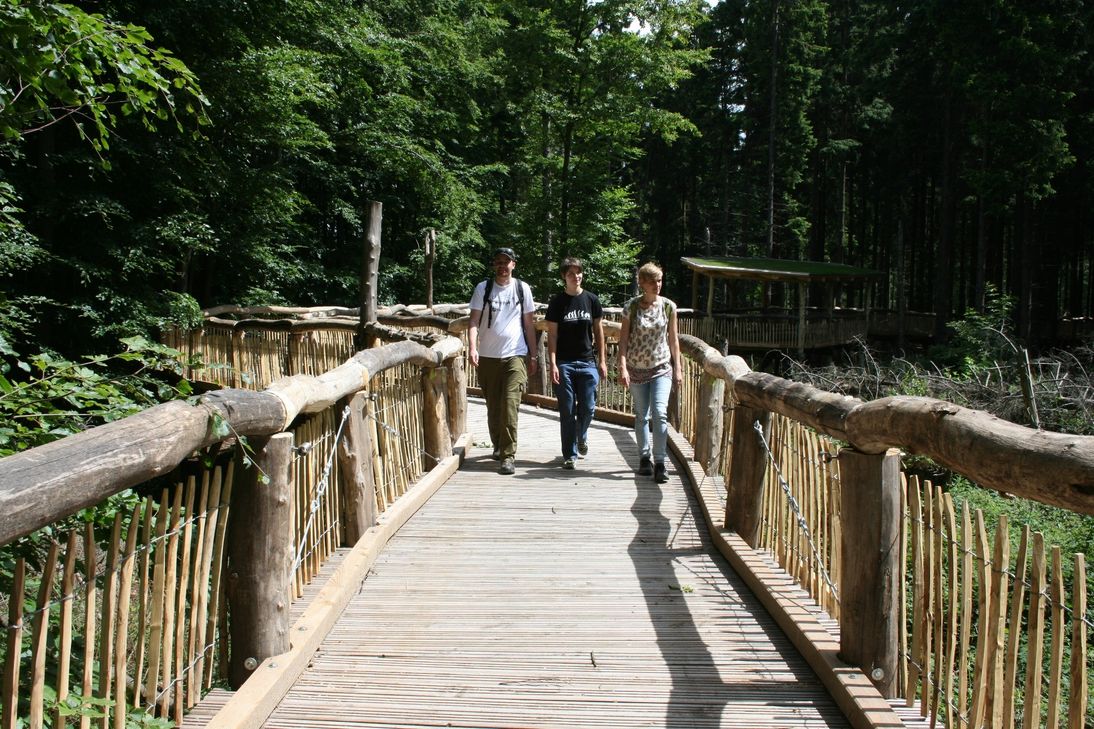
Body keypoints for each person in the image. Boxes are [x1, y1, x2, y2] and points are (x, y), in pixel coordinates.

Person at [468, 247, 539, 475]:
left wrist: (533, 354)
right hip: (488, 356)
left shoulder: (522, 288)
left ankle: (508, 456)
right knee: (493, 407)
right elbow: (473, 322)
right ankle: (498, 445)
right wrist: (472, 347)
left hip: (515, 355)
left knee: (510, 406)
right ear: (494, 265)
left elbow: (529, 324)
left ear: (513, 265)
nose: (502, 266)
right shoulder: (483, 288)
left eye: (506, 262)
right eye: (498, 262)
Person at [616, 262, 682, 483]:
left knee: (660, 413)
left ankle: (660, 462)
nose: (657, 285)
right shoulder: (631, 307)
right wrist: (622, 367)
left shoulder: (669, 307)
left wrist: (678, 369)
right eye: (652, 281)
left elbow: (673, 340)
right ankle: (645, 458)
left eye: (660, 280)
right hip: (636, 369)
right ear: (642, 282)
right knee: (642, 415)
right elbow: (623, 340)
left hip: (662, 367)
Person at [545, 257, 608, 470]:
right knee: (567, 408)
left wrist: (602, 361)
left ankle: (581, 435)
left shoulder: (591, 300)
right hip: (564, 362)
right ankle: (570, 454)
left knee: (589, 407)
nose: (576, 276)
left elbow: (599, 332)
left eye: (579, 272)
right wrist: (553, 364)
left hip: (587, 361)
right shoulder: (557, 302)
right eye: (571, 273)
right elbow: (552, 335)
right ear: (564, 276)